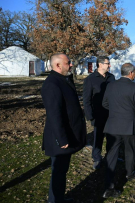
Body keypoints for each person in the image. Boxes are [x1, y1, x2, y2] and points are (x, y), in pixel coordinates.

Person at [41, 53, 86, 203]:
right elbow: (54, 114)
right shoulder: (52, 84)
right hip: (59, 138)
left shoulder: (63, 80)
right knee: (58, 172)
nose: (71, 64)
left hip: (66, 134)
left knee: (61, 172)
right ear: (58, 65)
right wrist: (61, 139)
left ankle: (58, 199)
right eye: (68, 63)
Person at [101, 63, 135, 198]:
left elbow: (104, 103)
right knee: (129, 150)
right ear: (131, 73)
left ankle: (108, 186)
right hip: (128, 125)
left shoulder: (111, 85)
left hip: (113, 124)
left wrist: (116, 110)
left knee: (111, 154)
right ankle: (129, 172)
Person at [83, 56, 115, 170]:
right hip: (98, 114)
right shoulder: (90, 79)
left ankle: (111, 156)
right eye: (107, 63)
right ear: (100, 65)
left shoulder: (112, 77)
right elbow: (86, 100)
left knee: (112, 136)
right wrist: (90, 116)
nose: (109, 65)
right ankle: (97, 157)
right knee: (98, 137)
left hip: (111, 113)